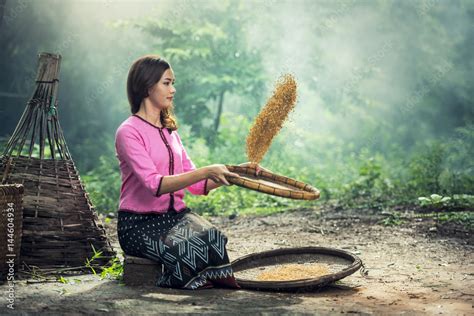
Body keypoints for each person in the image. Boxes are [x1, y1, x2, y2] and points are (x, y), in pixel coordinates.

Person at [115, 54, 263, 290]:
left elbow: (196, 184)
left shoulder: (170, 131)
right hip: (138, 224)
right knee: (188, 249)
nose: (173, 89)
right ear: (146, 86)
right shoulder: (128, 132)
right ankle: (172, 280)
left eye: (173, 83)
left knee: (214, 238)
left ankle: (198, 278)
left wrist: (238, 173)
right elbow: (155, 185)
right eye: (166, 83)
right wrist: (206, 170)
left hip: (175, 218)